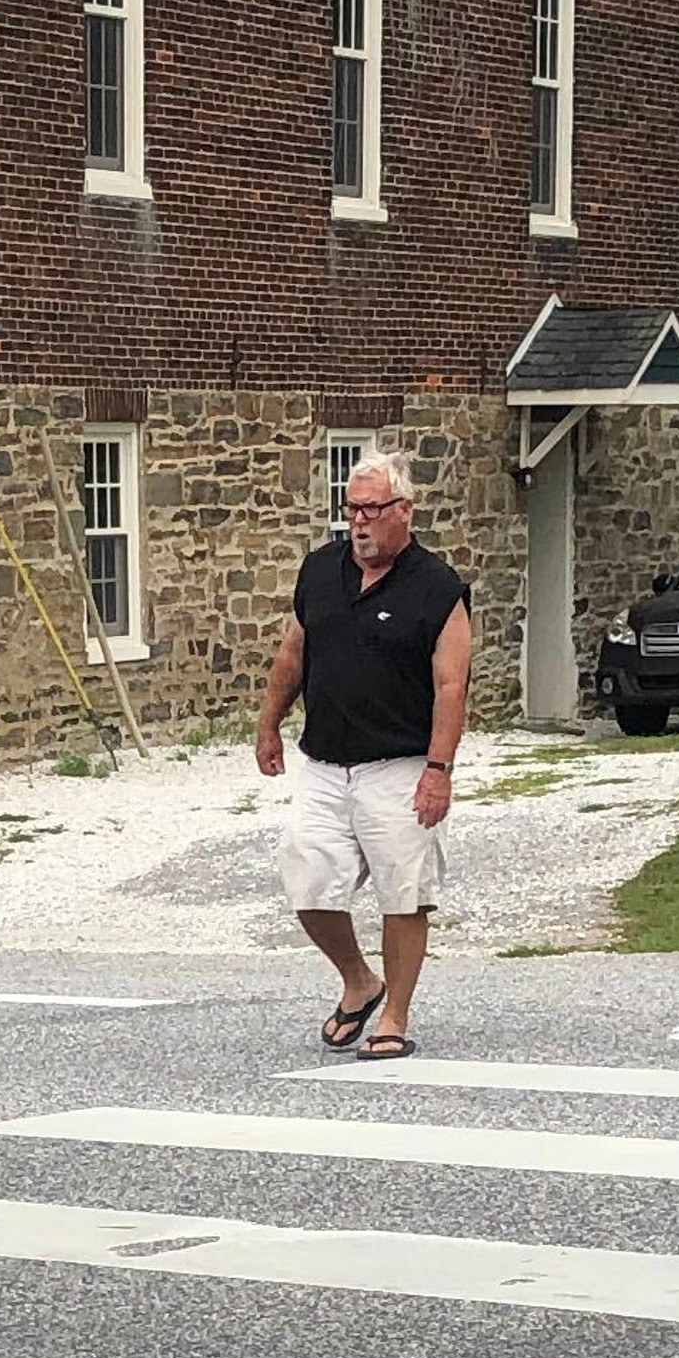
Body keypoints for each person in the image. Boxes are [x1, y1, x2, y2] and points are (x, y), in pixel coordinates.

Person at [251, 439, 471, 1060]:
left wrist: (438, 770)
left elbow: (451, 685)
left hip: (398, 765)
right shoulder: (320, 571)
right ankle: (359, 981)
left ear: (405, 510)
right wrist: (270, 725)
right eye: (352, 510)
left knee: (404, 893)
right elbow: (293, 653)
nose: (360, 524)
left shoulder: (438, 588)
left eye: (372, 510)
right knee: (307, 880)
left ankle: (394, 1014)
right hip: (325, 761)